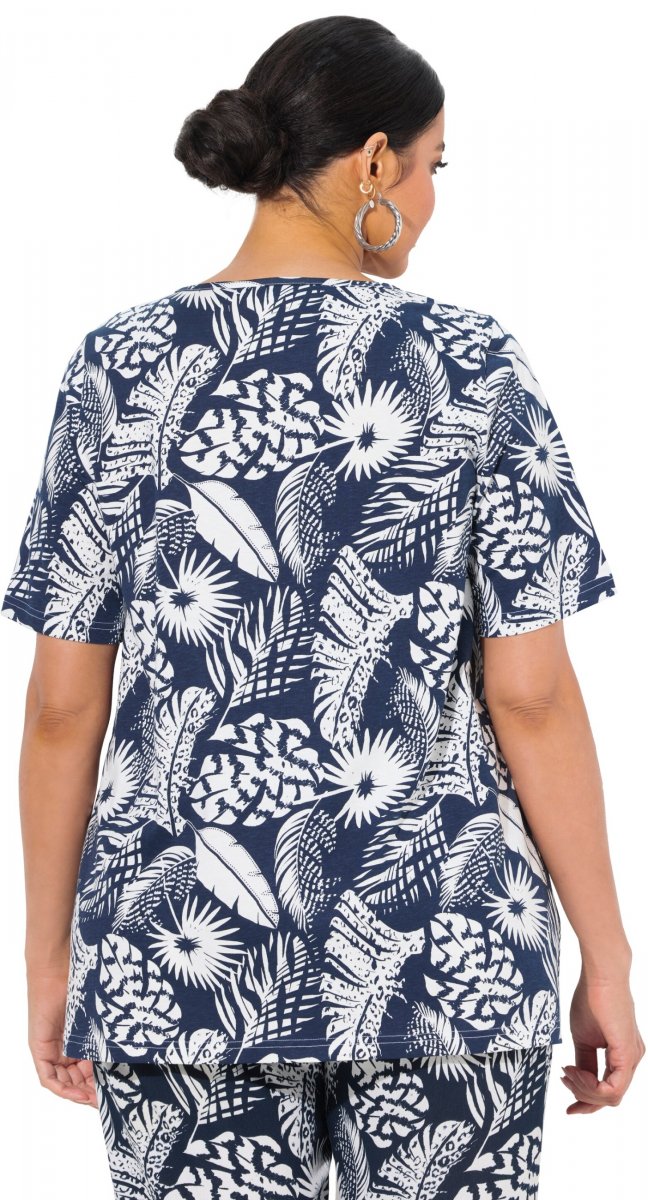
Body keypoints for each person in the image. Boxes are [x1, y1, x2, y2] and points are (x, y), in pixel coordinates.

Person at [1, 13, 643, 1199]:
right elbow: (533, 698)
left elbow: (59, 708)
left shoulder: (119, 367)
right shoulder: (474, 365)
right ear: (377, 161)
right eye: (437, 166)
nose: (434, 199)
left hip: (180, 968)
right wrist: (608, 958)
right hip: (447, 959)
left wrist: (49, 960)